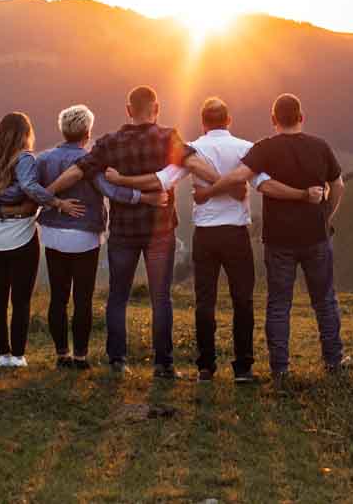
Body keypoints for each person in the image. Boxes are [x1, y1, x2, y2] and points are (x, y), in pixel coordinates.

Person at [46, 85, 221, 379]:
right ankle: (163, 365)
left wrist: (46, 195)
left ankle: (117, 361)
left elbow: (77, 170)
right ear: (157, 109)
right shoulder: (168, 138)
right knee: (160, 298)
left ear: (128, 111)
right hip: (160, 230)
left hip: (123, 233)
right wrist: (221, 182)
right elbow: (192, 162)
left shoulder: (109, 143)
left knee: (118, 296)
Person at [104, 97, 259, 383]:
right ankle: (244, 367)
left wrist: (123, 180)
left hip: (206, 233)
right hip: (236, 232)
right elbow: (263, 183)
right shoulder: (246, 149)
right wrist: (235, 189)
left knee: (205, 301)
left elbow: (162, 180)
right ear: (229, 120)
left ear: (203, 123)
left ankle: (205, 367)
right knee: (243, 300)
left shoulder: (195, 149)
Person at [194, 94, 346, 383]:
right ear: (302, 117)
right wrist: (326, 216)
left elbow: (239, 175)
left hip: (279, 241)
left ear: (273, 120)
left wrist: (206, 193)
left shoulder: (265, 148)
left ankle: (280, 369)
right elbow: (338, 184)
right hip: (316, 236)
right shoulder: (320, 146)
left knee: (279, 304)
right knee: (325, 301)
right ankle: (334, 362)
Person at [36, 104, 168, 370]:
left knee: (59, 297)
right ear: (88, 131)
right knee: (82, 298)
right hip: (84, 235)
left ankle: (61, 354)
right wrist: (145, 197)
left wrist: (52, 202)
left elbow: (35, 188)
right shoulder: (90, 162)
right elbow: (111, 191)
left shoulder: (45, 159)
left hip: (52, 234)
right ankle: (81, 356)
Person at [0, 112, 82, 367]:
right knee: (20, 300)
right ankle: (17, 356)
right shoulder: (25, 158)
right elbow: (29, 187)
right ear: (25, 134)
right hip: (22, 236)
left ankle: (2, 355)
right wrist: (57, 202)